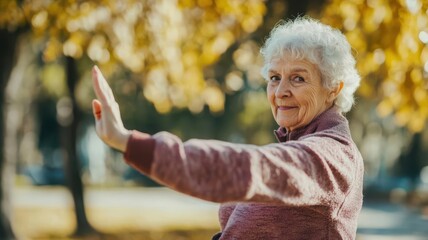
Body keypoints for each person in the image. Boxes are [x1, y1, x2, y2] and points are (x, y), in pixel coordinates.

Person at [92, 17, 363, 240]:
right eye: (274, 77)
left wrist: (129, 143)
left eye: (298, 78)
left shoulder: (332, 156)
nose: (281, 91)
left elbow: (249, 168)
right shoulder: (295, 142)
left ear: (332, 89)